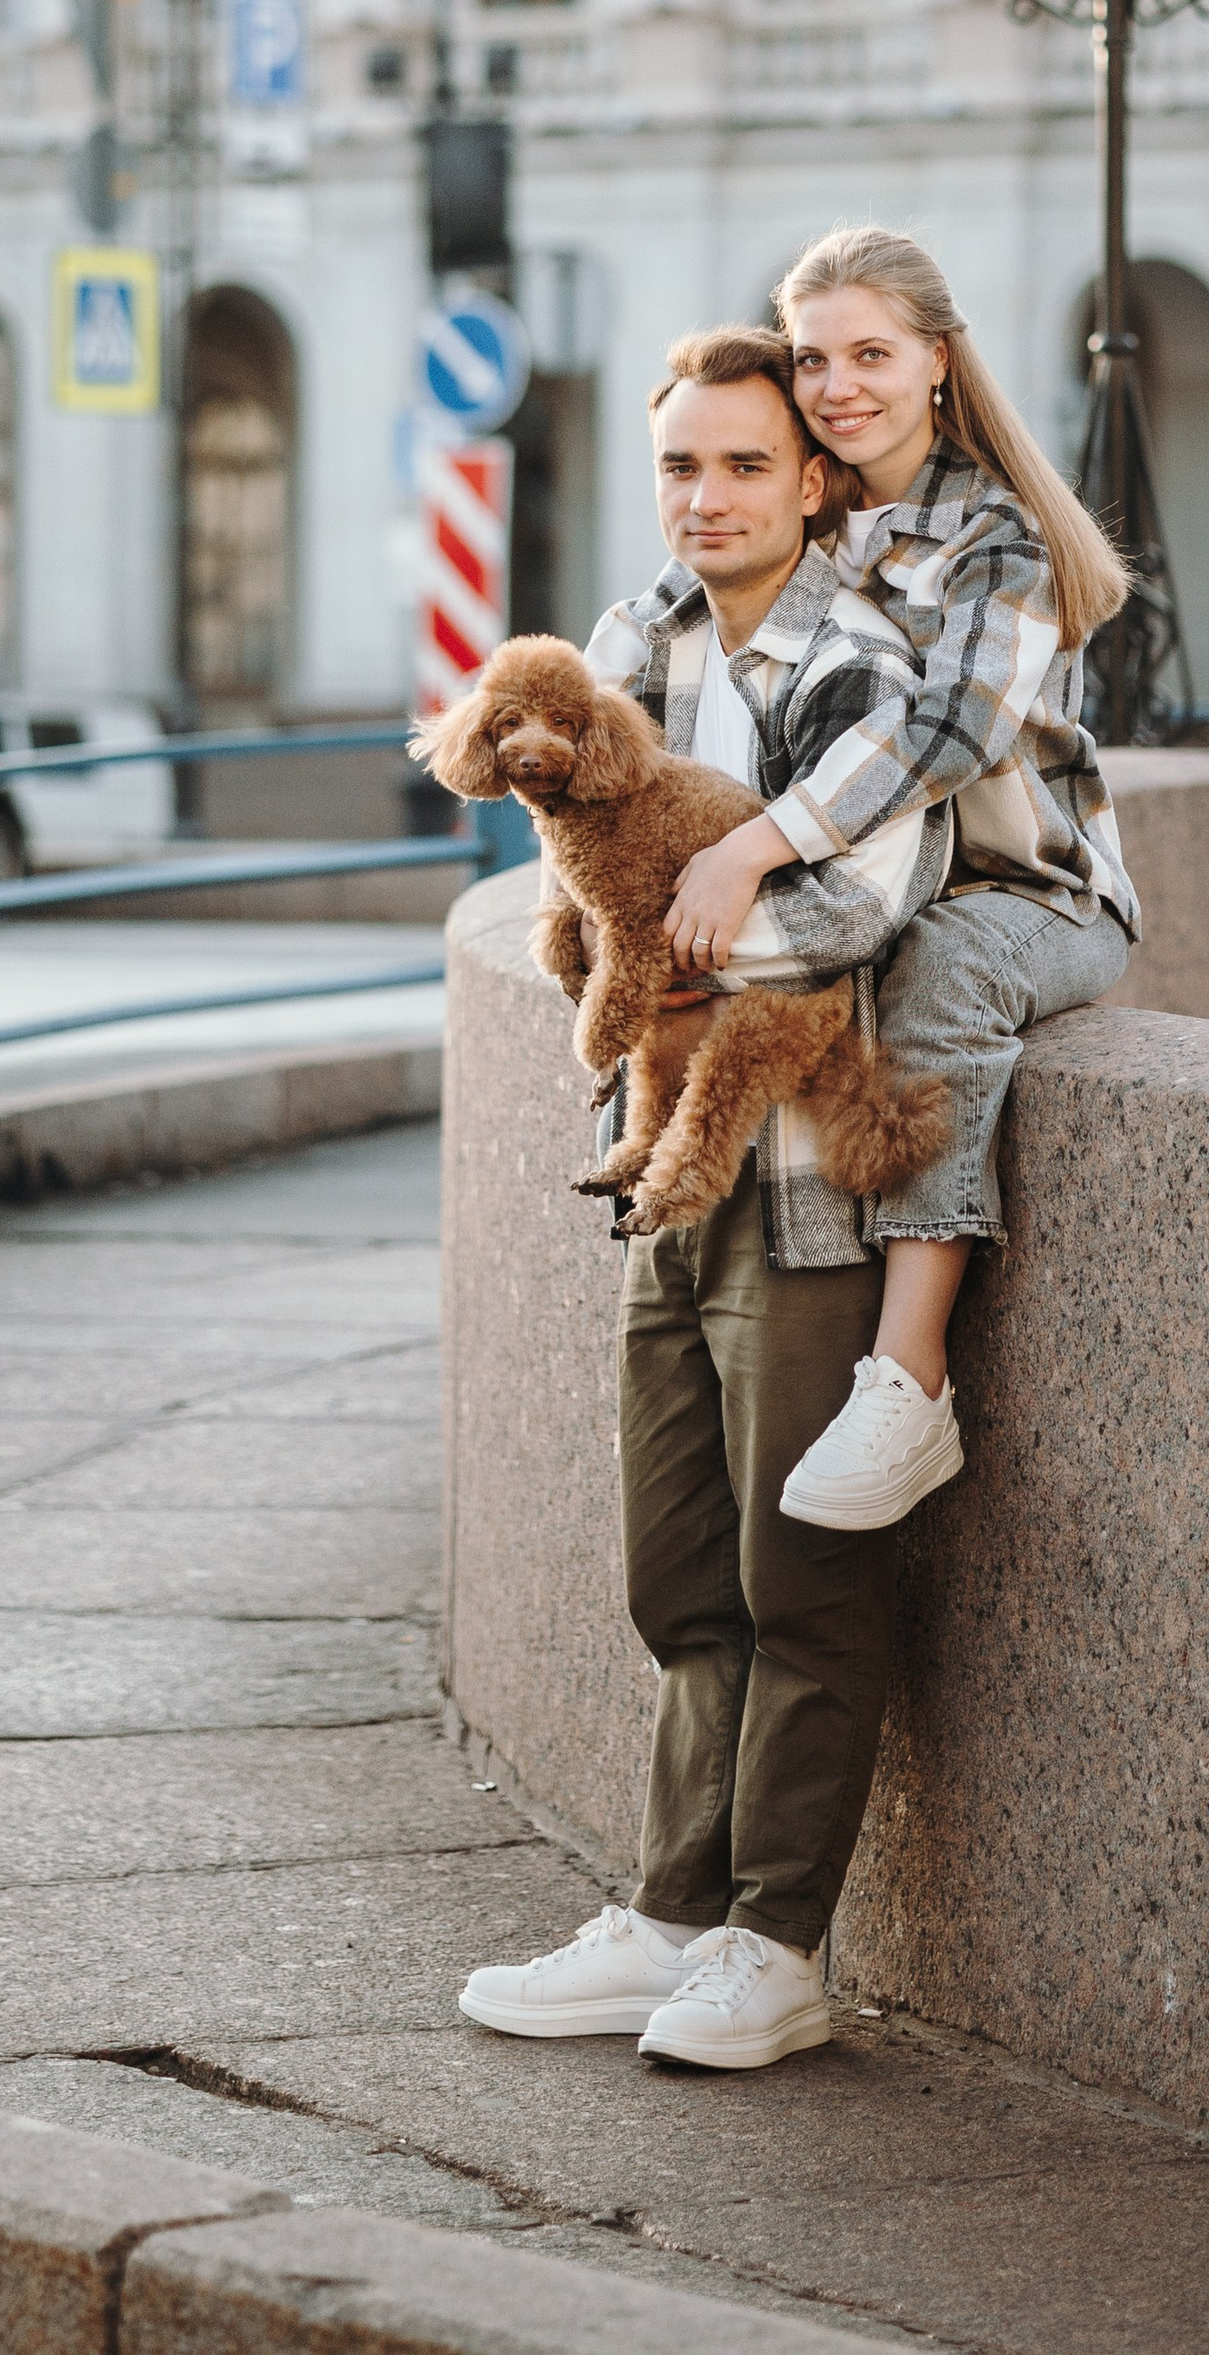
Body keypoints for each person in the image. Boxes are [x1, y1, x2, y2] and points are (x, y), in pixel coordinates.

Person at [459, 325, 952, 2075]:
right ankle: (668, 1908)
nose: (708, 495)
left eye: (745, 462)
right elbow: (570, 892)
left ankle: (775, 1942)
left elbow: (867, 907)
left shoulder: (875, 656)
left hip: (807, 1170)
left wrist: (669, 952)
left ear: (813, 480)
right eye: (681, 463)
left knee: (798, 1565)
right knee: (677, 1563)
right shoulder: (624, 643)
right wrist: (652, 971)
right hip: (660, 1155)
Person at [658, 223, 1139, 1533]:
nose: (837, 385)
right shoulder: (809, 496)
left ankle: (907, 1376)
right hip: (879, 877)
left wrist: (753, 844)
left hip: (1028, 893)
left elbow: (947, 734)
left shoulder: (1000, 535)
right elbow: (678, 605)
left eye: (871, 353)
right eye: (812, 357)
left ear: (937, 359)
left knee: (943, 969)